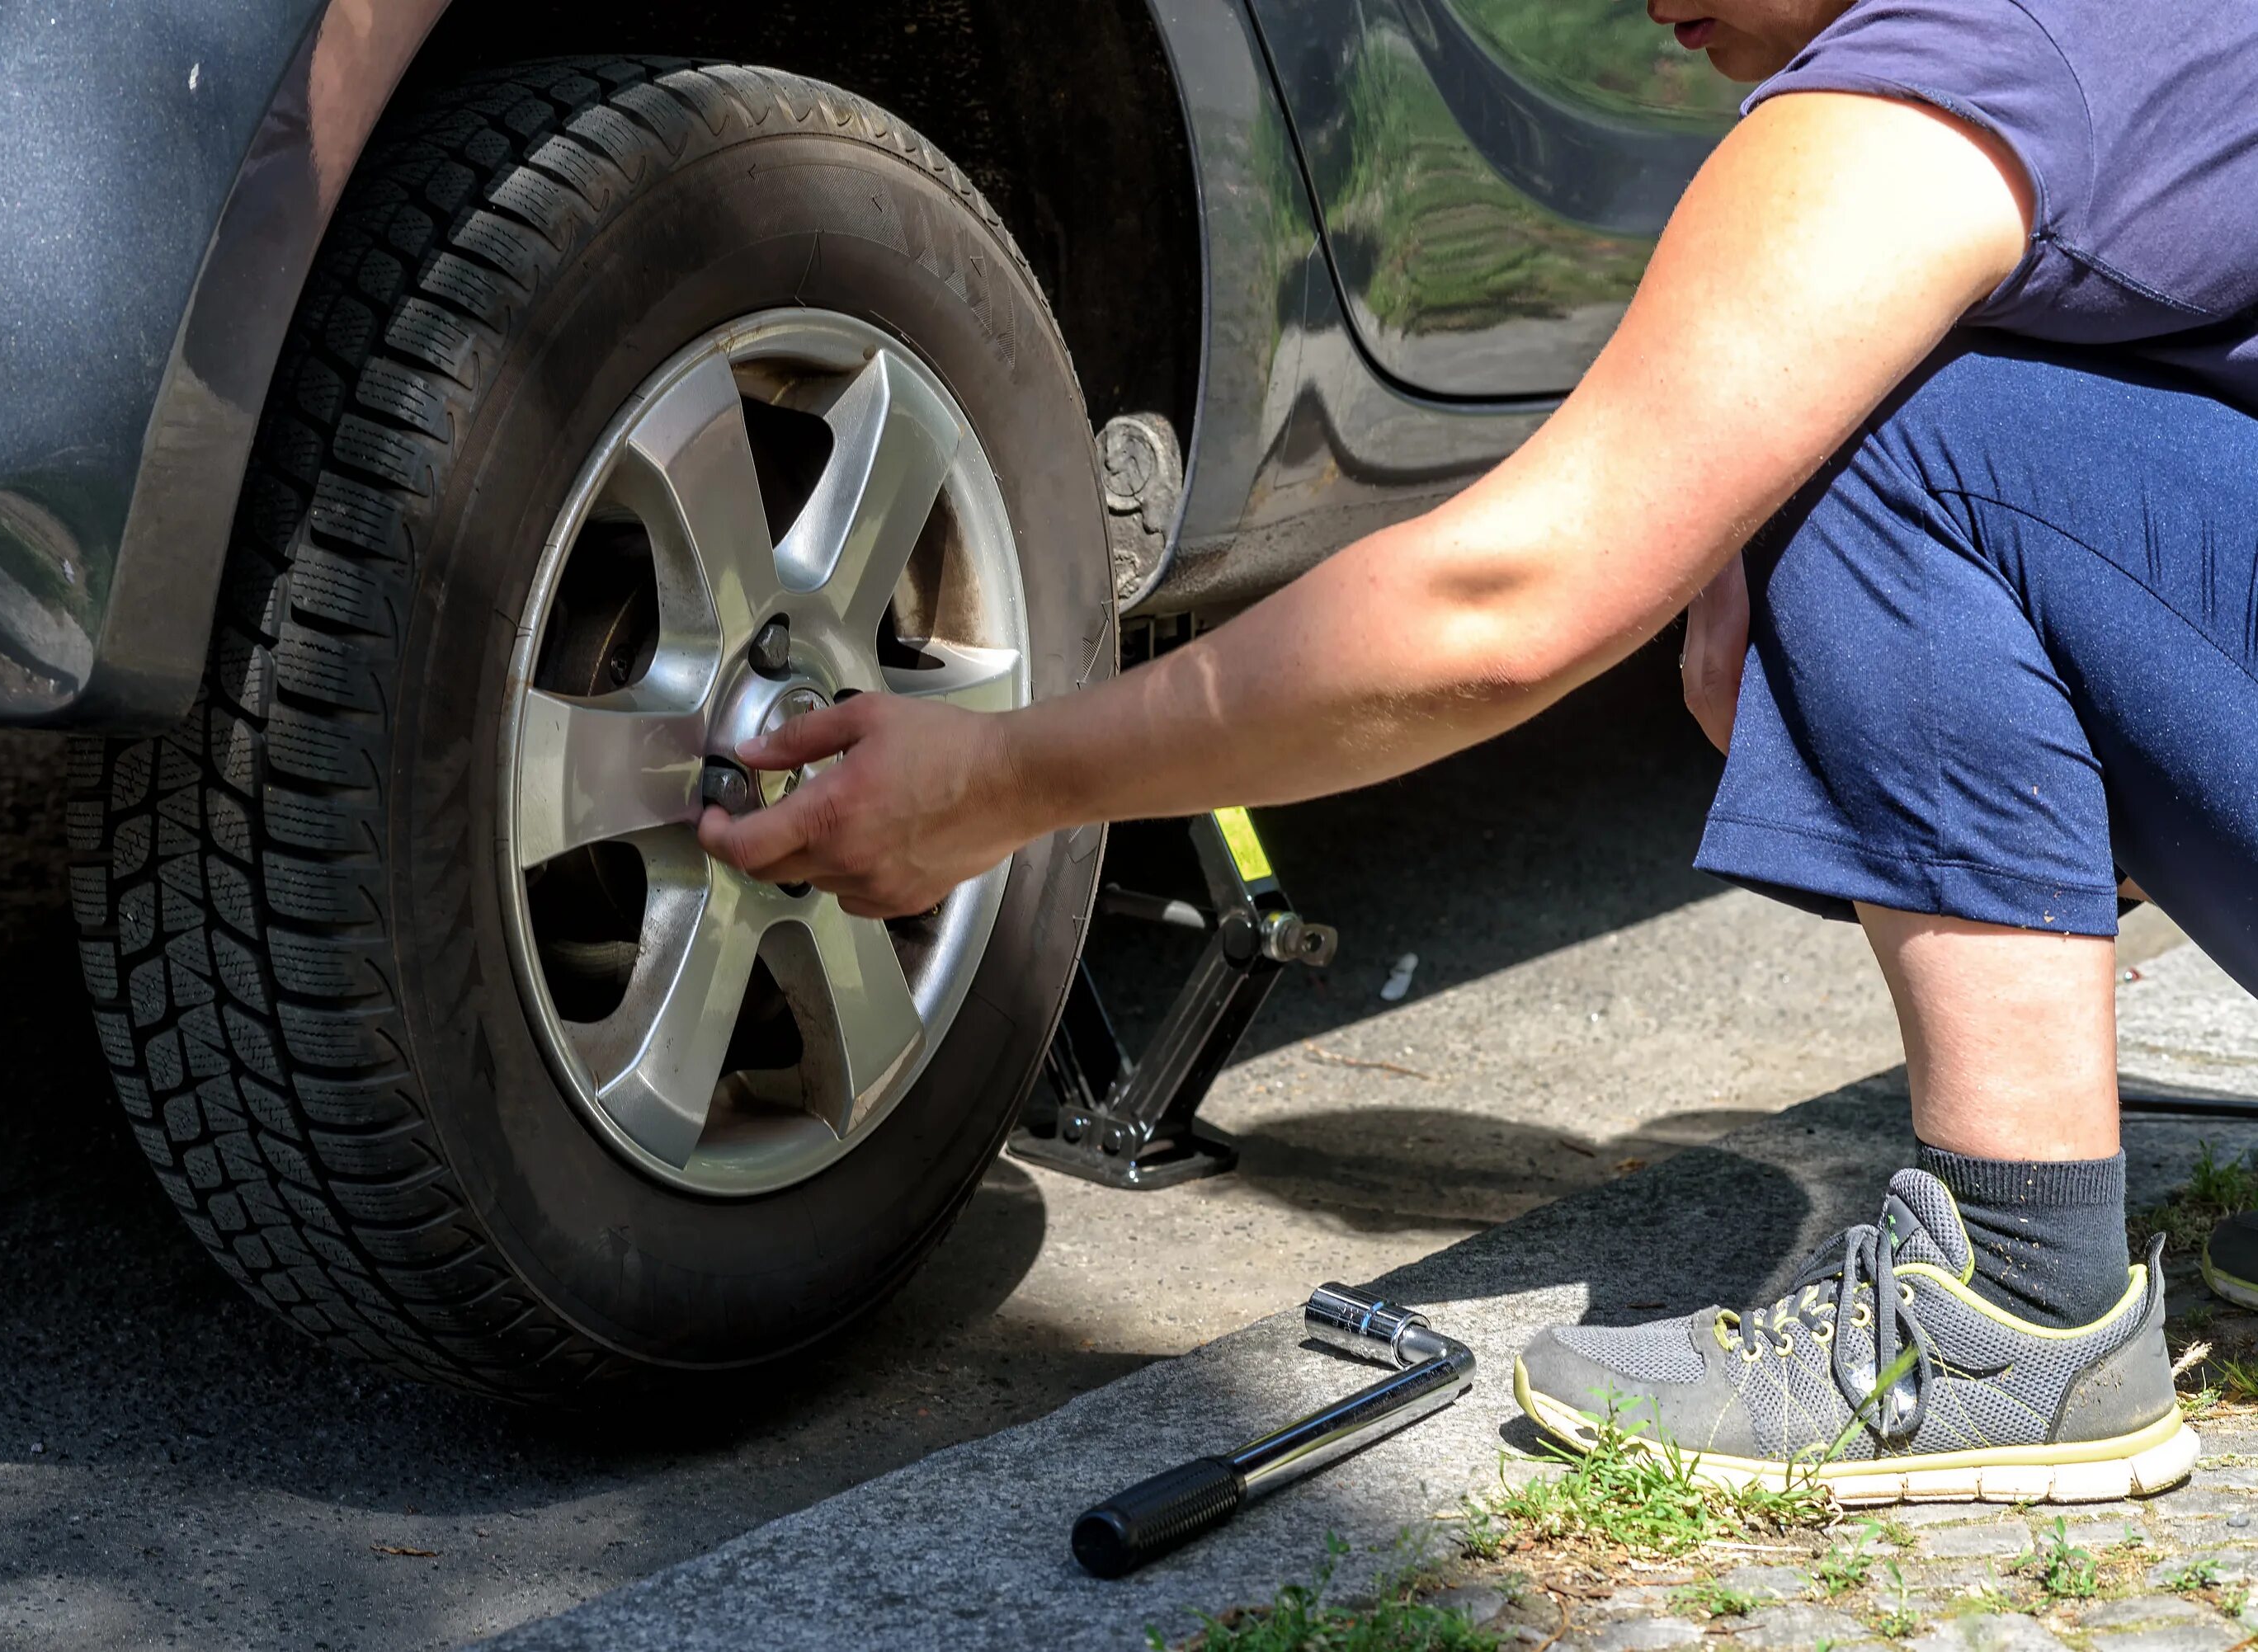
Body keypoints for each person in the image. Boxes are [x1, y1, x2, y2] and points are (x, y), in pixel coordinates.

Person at [701, 0, 2258, 1502]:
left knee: (1869, 421)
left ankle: (2012, 1306)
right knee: (1812, 410)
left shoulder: (1954, 74)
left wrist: (1001, 780)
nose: (1645, 4)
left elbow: (1506, 599)